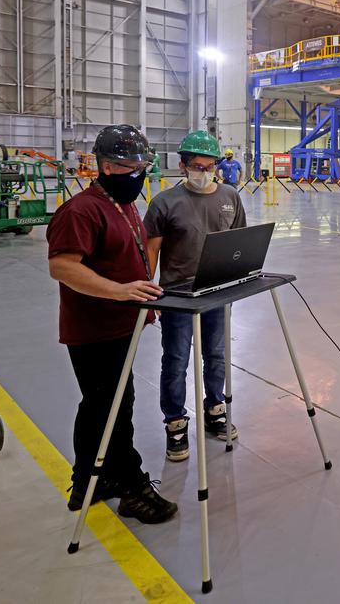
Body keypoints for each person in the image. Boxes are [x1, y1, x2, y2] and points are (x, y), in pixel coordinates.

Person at [47, 125, 178, 523]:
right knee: (114, 406)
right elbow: (62, 266)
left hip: (123, 324)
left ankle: (90, 480)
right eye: (129, 166)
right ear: (104, 166)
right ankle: (130, 486)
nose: (138, 174)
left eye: (143, 166)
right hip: (96, 328)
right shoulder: (81, 210)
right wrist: (121, 292)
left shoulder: (124, 203)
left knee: (99, 404)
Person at [144, 131, 247, 461]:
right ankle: (175, 422)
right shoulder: (164, 202)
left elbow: (239, 241)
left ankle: (214, 410)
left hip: (216, 290)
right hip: (177, 295)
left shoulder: (230, 196)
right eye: (196, 166)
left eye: (209, 166)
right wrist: (147, 294)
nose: (203, 172)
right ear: (183, 165)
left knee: (215, 355)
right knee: (175, 360)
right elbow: (151, 250)